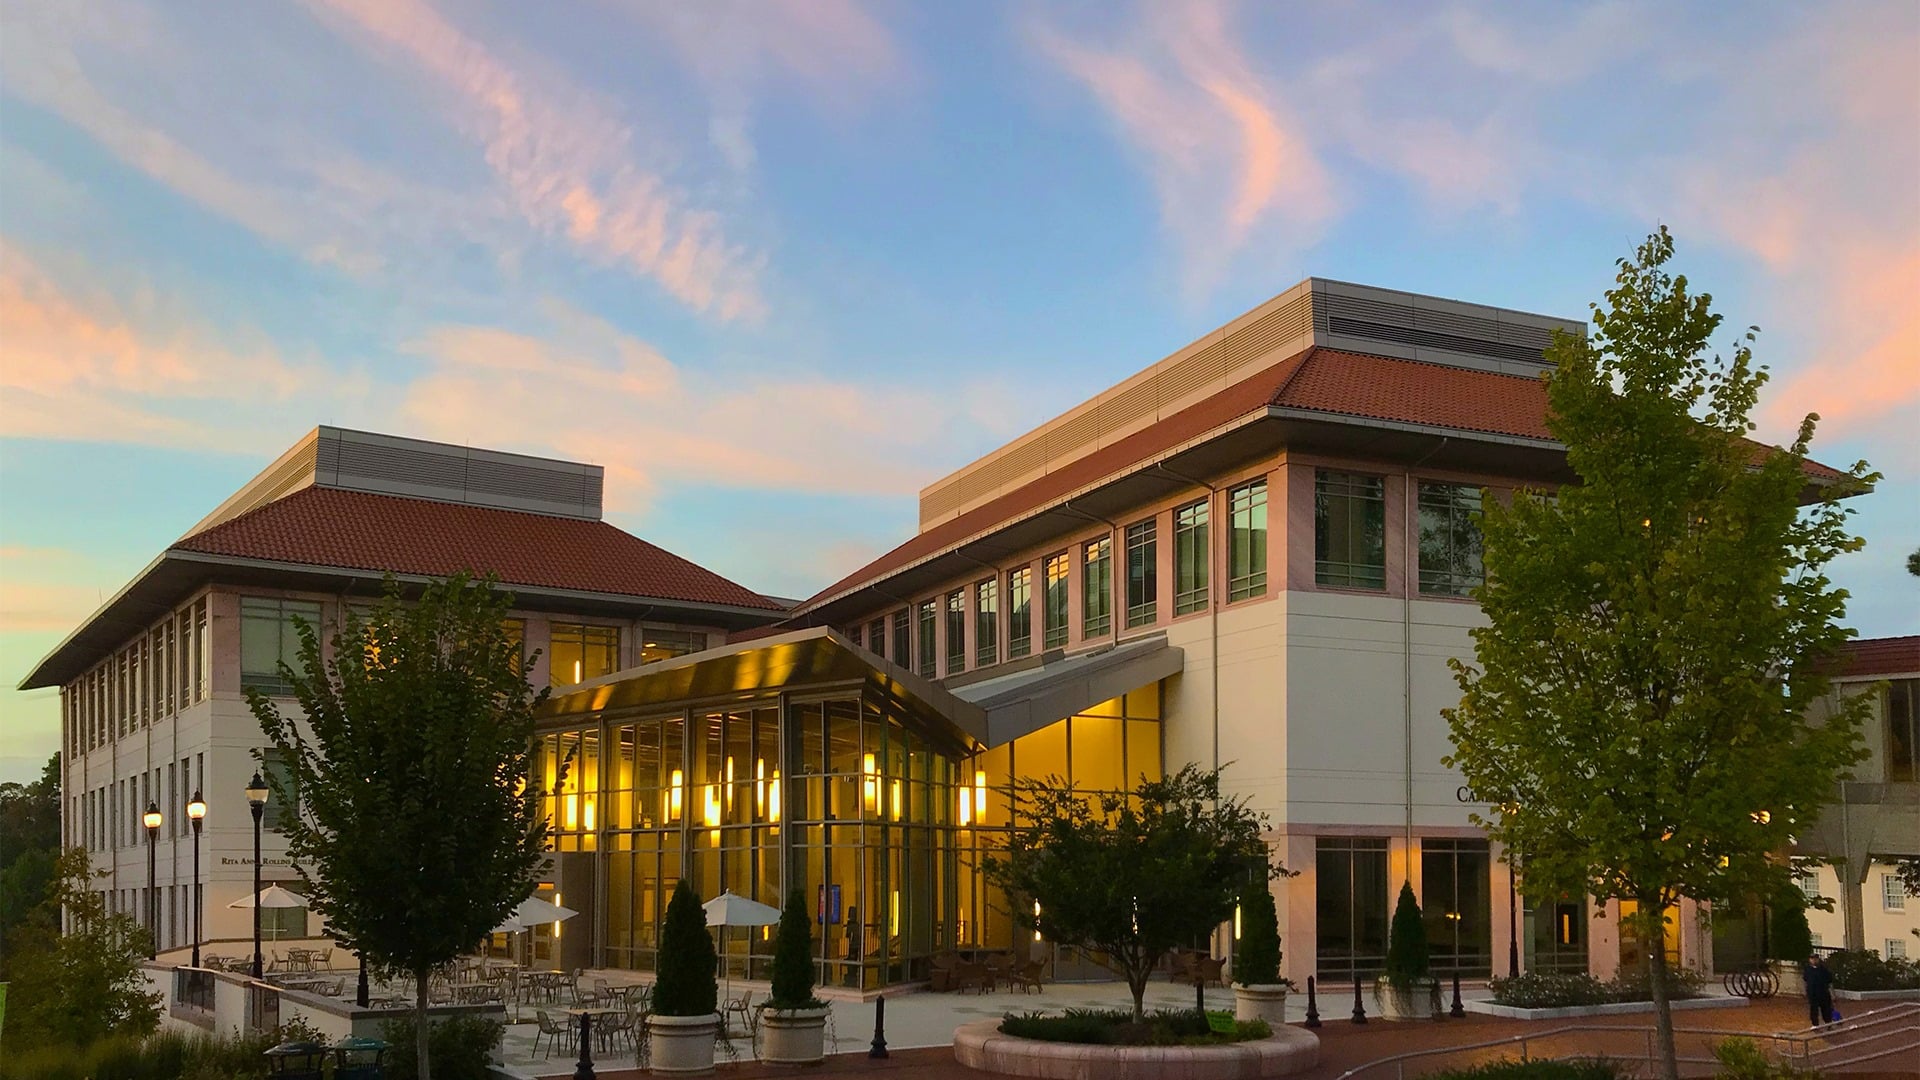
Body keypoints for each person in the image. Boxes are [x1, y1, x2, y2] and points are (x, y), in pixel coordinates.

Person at [1803, 953, 1834, 1027]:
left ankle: (1828, 1024)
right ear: (1809, 960)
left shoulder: (1823, 970)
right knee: (1814, 1010)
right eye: (1812, 958)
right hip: (1812, 994)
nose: (1814, 960)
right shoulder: (1807, 970)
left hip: (1824, 993)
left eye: (1815, 958)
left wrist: (1832, 994)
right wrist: (1805, 991)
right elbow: (1805, 981)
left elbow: (1830, 982)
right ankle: (1815, 1025)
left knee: (1826, 1009)